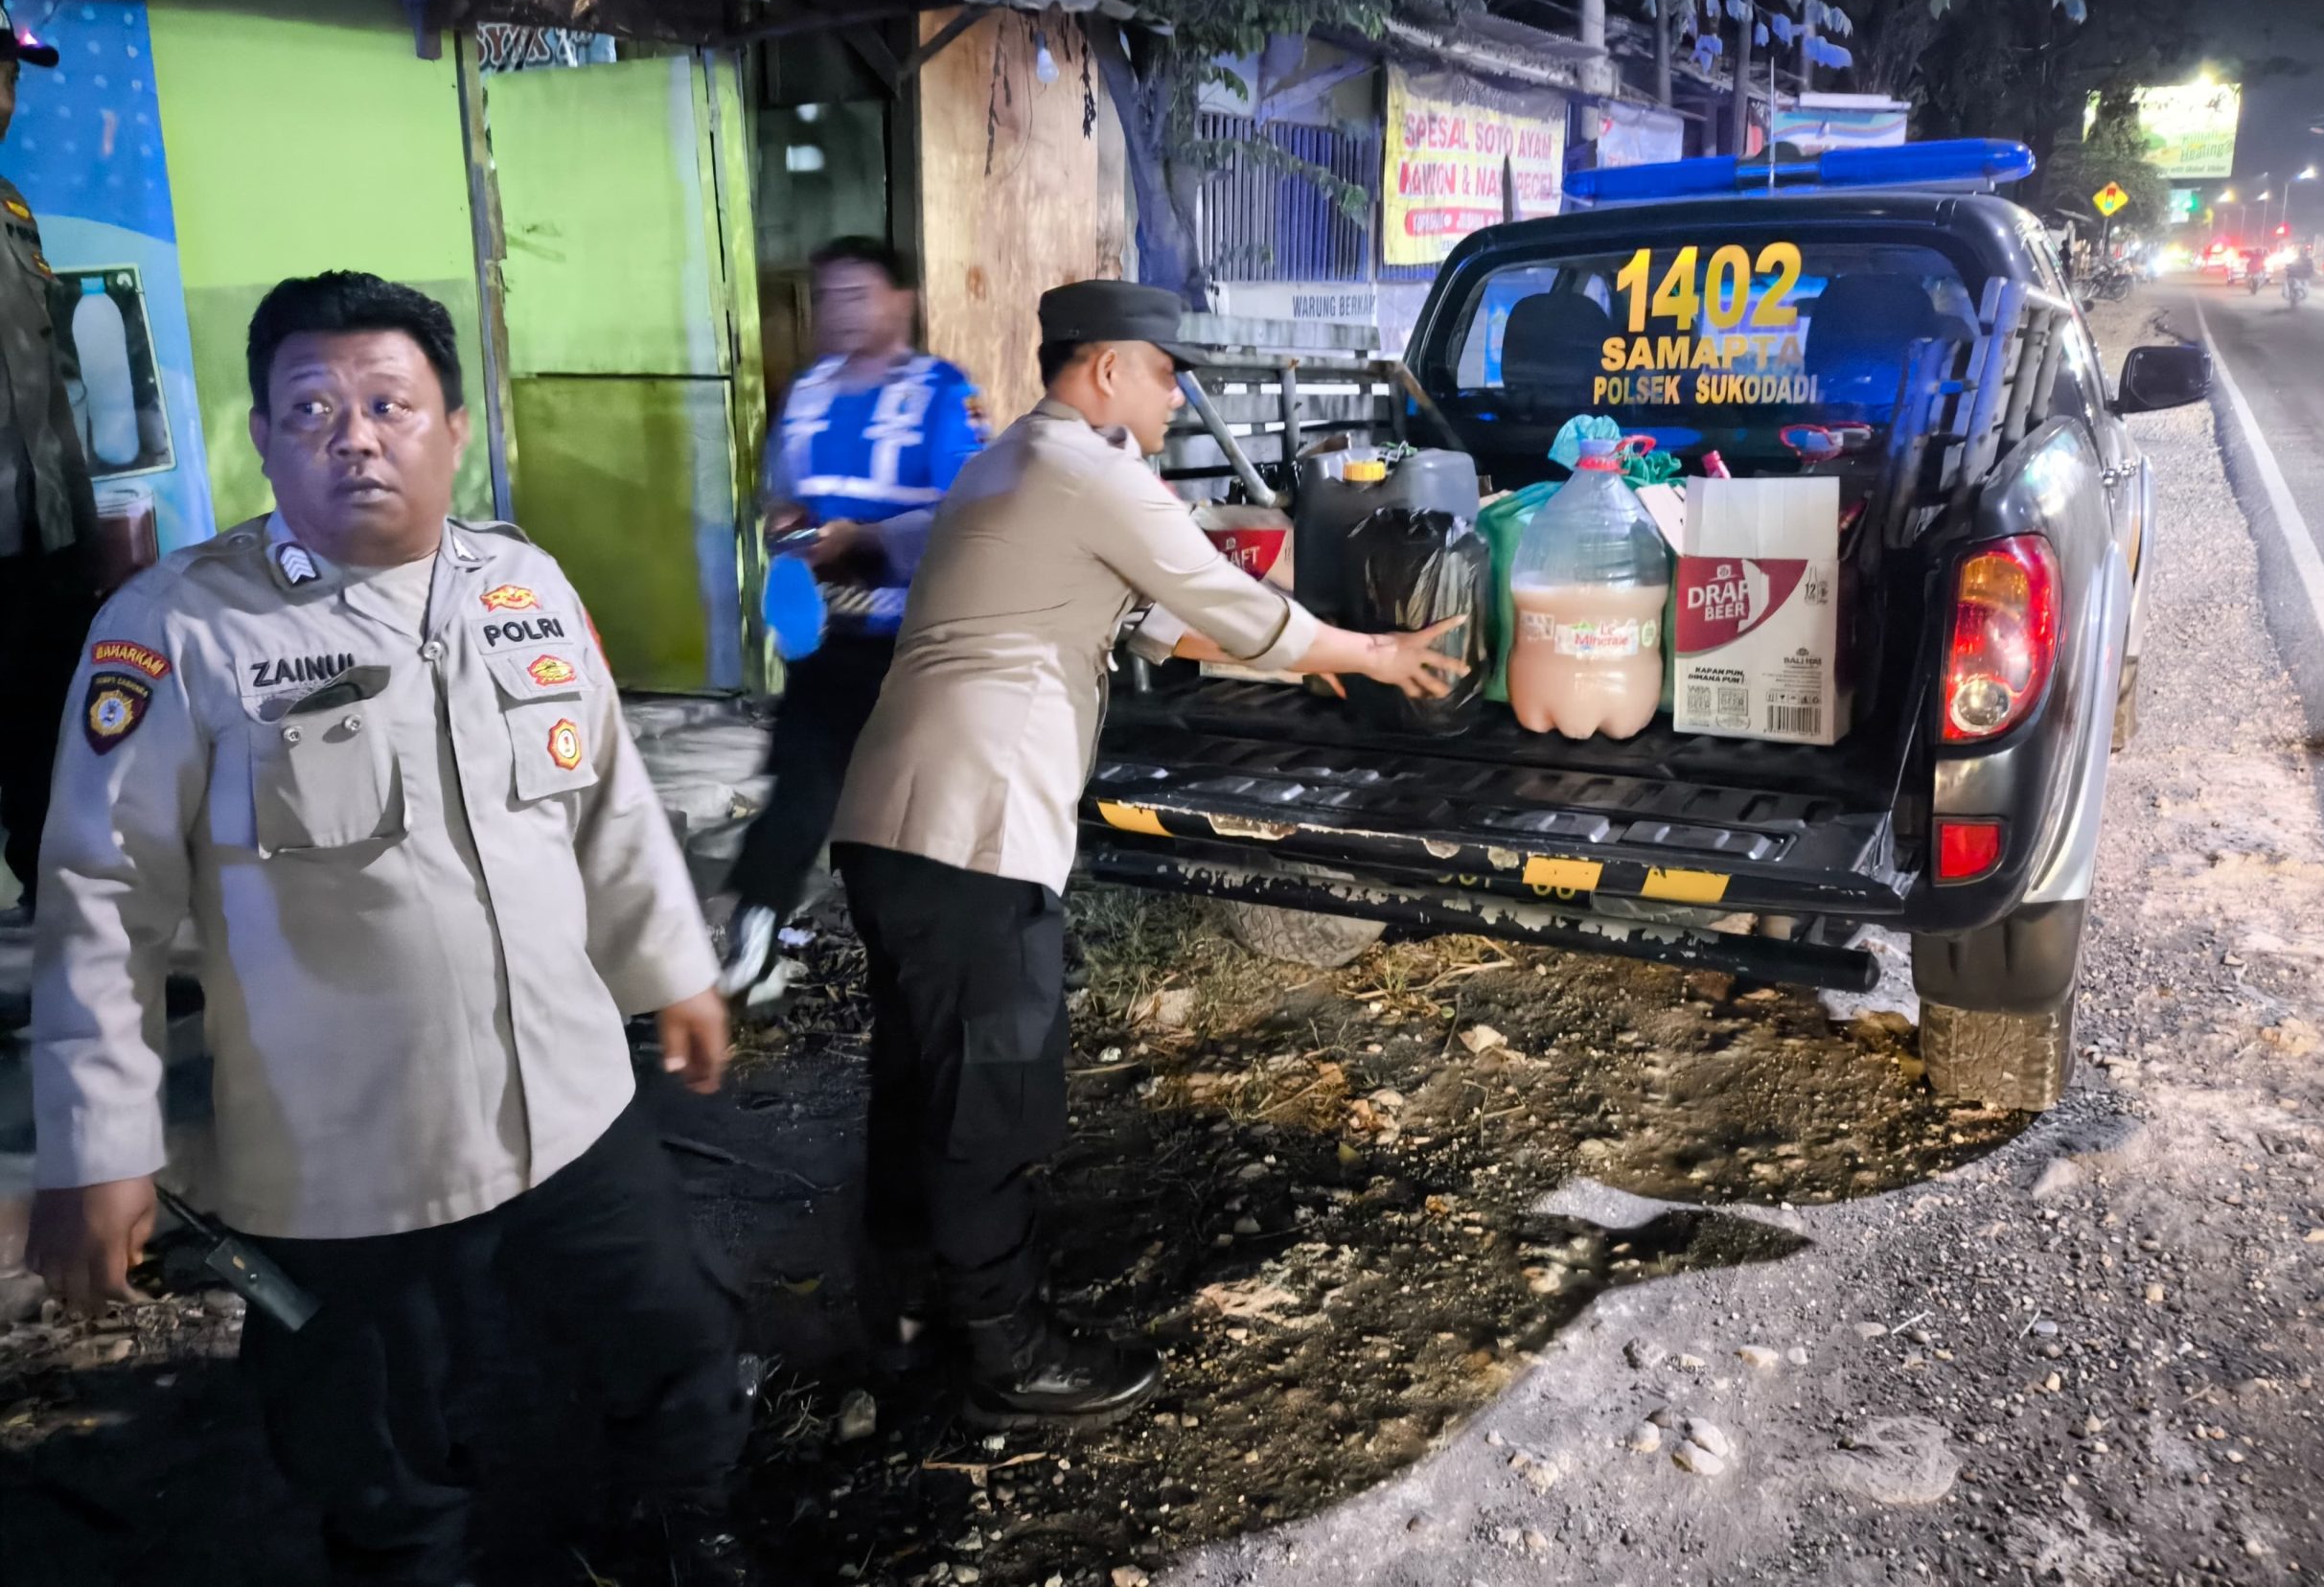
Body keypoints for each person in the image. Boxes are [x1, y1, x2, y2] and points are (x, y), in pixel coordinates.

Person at [25, 272, 753, 1586]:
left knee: (676, 1346)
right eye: (311, 407)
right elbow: (98, 900)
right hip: (347, 1162)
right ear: (264, 435)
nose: (352, 432)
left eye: (387, 402)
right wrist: (102, 1144)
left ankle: (678, 1529)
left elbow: (609, 797)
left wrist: (674, 971)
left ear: (453, 427)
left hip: (572, 1103)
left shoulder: (520, 584)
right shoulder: (179, 629)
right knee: (380, 1456)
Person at [830, 280, 1466, 1429]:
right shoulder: (1094, 471)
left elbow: (1144, 619)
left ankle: (908, 1315)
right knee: (990, 1093)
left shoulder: (1014, 462)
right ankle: (1009, 1354)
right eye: (1170, 372)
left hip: (896, 816)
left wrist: (1293, 658)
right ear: (1110, 367)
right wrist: (1369, 652)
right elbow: (1219, 598)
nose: (1179, 396)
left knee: (918, 1078)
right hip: (974, 821)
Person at [719, 237, 983, 998]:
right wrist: (794, 530)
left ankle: (925, 951)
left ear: (903, 302)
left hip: (916, 641)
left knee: (914, 799)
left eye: (858, 294)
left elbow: (968, 513)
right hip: (826, 634)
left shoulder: (943, 393)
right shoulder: (807, 393)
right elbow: (781, 499)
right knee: (802, 783)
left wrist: (863, 539)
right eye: (829, 295)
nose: (839, 311)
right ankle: (756, 936)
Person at [0, 0, 101, 931]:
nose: (1, 90)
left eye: (6, 71)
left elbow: (54, 369)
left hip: (43, 533)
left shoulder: (14, 206)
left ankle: (51, 911)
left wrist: (84, 510)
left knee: (46, 724)